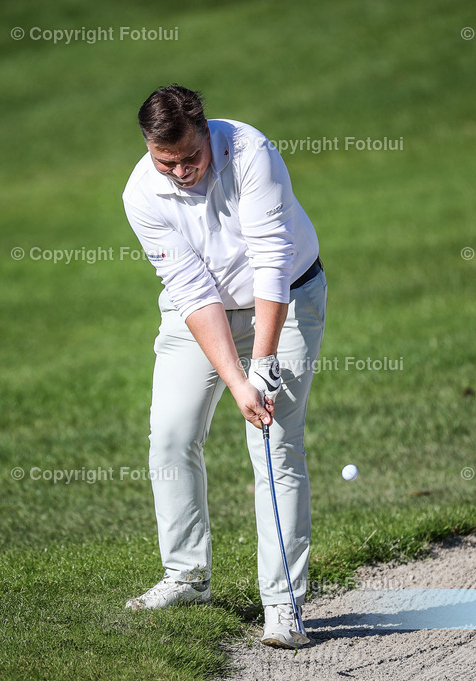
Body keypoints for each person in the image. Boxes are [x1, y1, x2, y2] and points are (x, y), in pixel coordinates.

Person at [121, 85, 326, 649]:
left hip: (285, 299)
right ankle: (186, 576)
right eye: (168, 162)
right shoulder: (141, 193)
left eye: (192, 157)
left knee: (274, 443)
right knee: (170, 434)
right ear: (148, 148)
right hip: (206, 308)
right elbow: (190, 291)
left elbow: (271, 260)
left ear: (206, 133)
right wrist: (236, 380)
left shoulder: (251, 151)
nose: (182, 171)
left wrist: (261, 365)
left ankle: (284, 607)